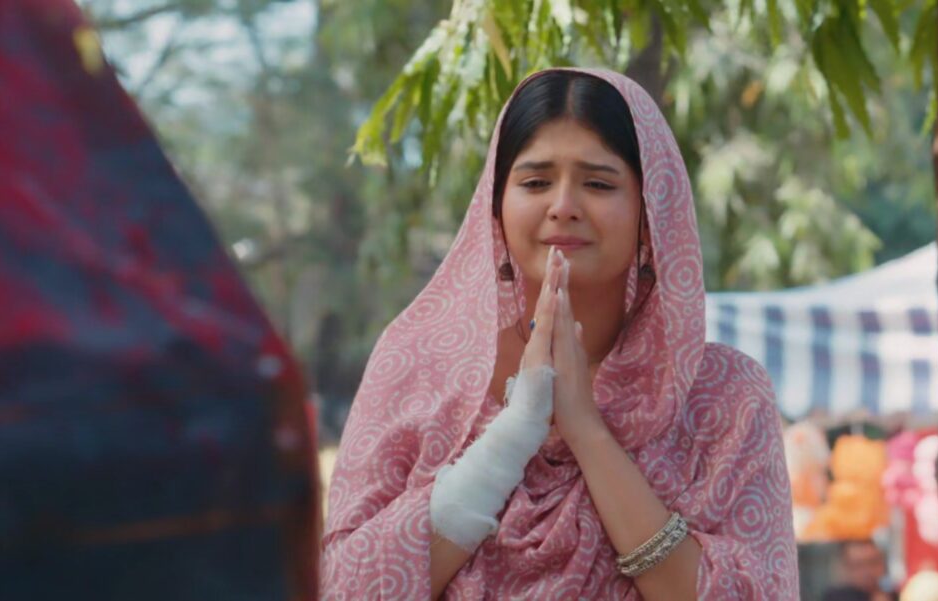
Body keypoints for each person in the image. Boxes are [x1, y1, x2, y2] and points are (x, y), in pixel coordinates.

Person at [321, 68, 798, 600]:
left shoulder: (722, 395)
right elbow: (345, 589)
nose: (563, 206)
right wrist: (514, 434)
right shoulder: (419, 368)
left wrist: (586, 431)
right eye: (535, 182)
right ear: (495, 207)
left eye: (598, 184)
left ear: (651, 215)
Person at [821, 539, 897, 601]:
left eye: (873, 562)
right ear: (846, 567)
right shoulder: (836, 597)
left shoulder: (895, 593)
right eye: (858, 565)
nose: (867, 571)